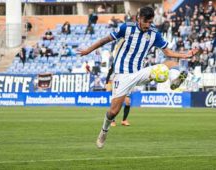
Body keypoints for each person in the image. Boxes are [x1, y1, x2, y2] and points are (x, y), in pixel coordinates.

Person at [78, 6, 197, 149]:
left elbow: (167, 52)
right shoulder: (126, 28)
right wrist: (88, 50)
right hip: (122, 75)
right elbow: (105, 40)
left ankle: (174, 81)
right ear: (138, 18)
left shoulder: (154, 33)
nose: (148, 24)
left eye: (150, 21)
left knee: (166, 66)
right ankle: (104, 130)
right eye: (146, 21)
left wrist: (185, 55)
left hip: (139, 72)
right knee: (113, 112)